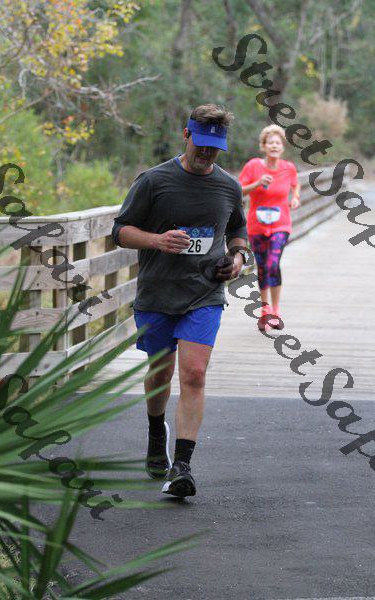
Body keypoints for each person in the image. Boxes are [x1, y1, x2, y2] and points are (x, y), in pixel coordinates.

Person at [112, 104, 249, 498]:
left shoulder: (228, 187)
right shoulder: (153, 181)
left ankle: (182, 467)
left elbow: (238, 231)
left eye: (215, 147)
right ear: (186, 135)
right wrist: (157, 240)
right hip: (157, 294)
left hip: (204, 293)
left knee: (194, 373)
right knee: (160, 373)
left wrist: (238, 259)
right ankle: (157, 432)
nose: (206, 152)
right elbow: (120, 231)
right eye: (201, 143)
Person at [238, 124, 300, 331]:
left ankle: (276, 310)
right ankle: (265, 311)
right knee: (263, 266)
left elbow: (295, 184)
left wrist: (295, 197)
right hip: (256, 225)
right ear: (263, 146)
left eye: (277, 143)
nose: (274, 146)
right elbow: (239, 190)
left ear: (282, 147)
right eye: (270, 142)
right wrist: (257, 183)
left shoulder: (288, 167)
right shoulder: (253, 166)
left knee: (273, 264)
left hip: (281, 224)